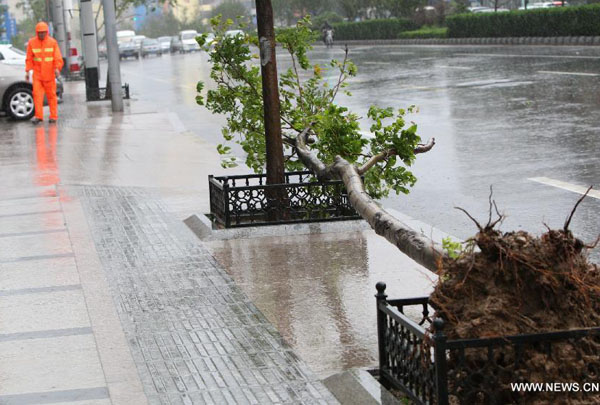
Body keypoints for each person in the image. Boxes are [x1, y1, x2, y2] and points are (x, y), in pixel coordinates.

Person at [25, 22, 63, 124]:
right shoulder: (32, 43)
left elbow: (57, 58)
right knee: (37, 95)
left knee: (51, 96)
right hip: (37, 75)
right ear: (37, 32)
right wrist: (27, 71)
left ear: (47, 32)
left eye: (43, 32)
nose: (41, 34)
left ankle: (53, 116)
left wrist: (57, 68)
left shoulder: (52, 42)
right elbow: (29, 58)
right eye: (40, 32)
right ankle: (38, 116)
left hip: (49, 75)